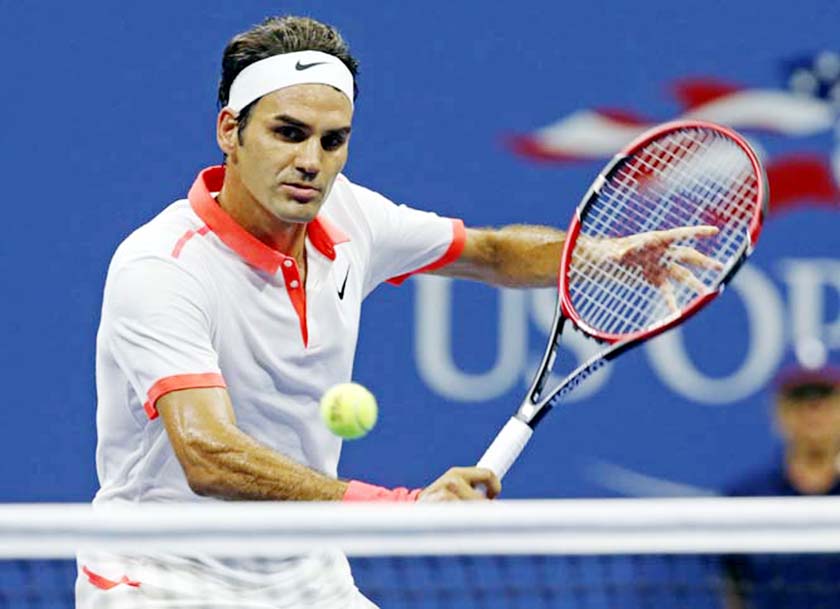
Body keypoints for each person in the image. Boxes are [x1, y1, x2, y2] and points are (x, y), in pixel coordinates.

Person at [76, 15, 720, 608]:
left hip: (305, 575)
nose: (310, 161)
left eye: (333, 141)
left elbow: (491, 252)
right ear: (229, 131)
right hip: (162, 578)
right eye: (288, 133)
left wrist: (600, 255)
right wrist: (396, 507)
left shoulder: (351, 216)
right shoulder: (162, 266)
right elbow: (208, 452)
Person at [725, 363, 840, 609]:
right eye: (800, 397)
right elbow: (735, 593)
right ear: (779, 411)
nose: (813, 410)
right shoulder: (745, 499)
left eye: (825, 396)